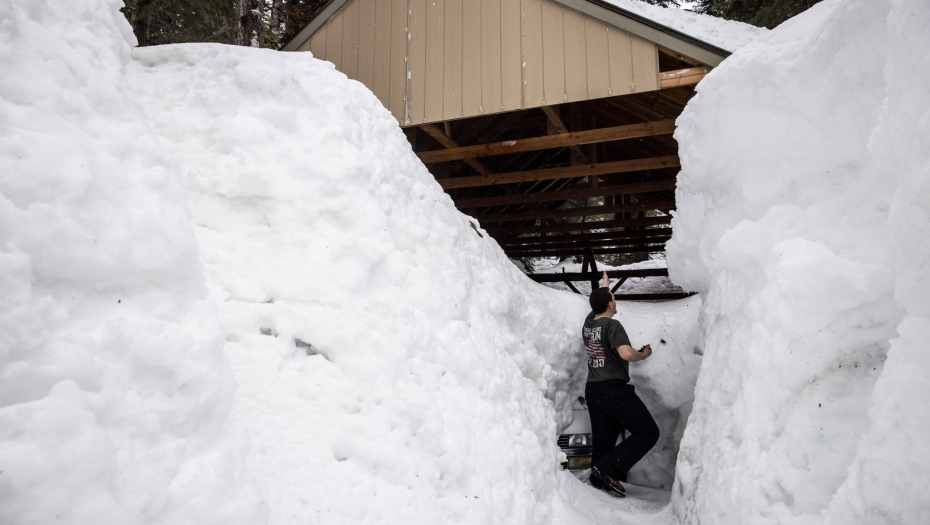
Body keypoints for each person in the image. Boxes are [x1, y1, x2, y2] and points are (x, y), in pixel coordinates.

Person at [582, 271, 660, 498]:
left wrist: (605, 284)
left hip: (593, 390)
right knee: (648, 432)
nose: (615, 302)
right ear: (608, 304)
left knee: (603, 442)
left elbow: (599, 302)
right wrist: (642, 355)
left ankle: (598, 486)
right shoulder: (613, 325)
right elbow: (626, 354)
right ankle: (608, 470)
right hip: (613, 390)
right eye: (613, 299)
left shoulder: (589, 323)